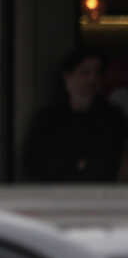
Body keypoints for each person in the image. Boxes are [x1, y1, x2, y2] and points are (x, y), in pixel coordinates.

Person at [22, 45, 128, 183]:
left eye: (98, 73)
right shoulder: (48, 119)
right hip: (57, 197)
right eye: (85, 73)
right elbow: (34, 163)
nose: (92, 79)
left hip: (103, 197)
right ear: (67, 77)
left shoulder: (113, 117)